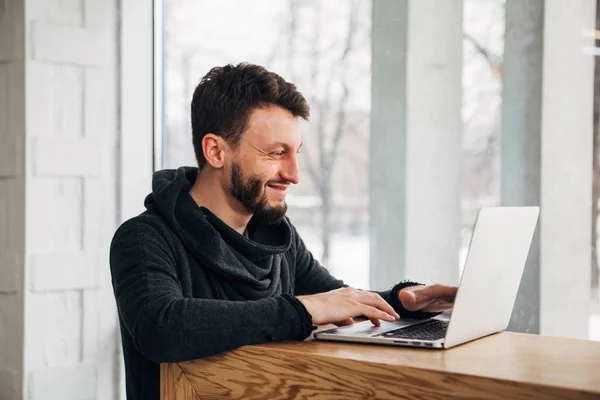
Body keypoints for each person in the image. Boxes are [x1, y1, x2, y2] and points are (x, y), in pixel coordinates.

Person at [109, 62, 458, 400]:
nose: (293, 174)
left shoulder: (276, 235)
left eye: (296, 154)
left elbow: (333, 300)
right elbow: (161, 327)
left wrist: (404, 302)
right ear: (216, 151)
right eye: (277, 153)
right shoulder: (144, 238)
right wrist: (302, 312)